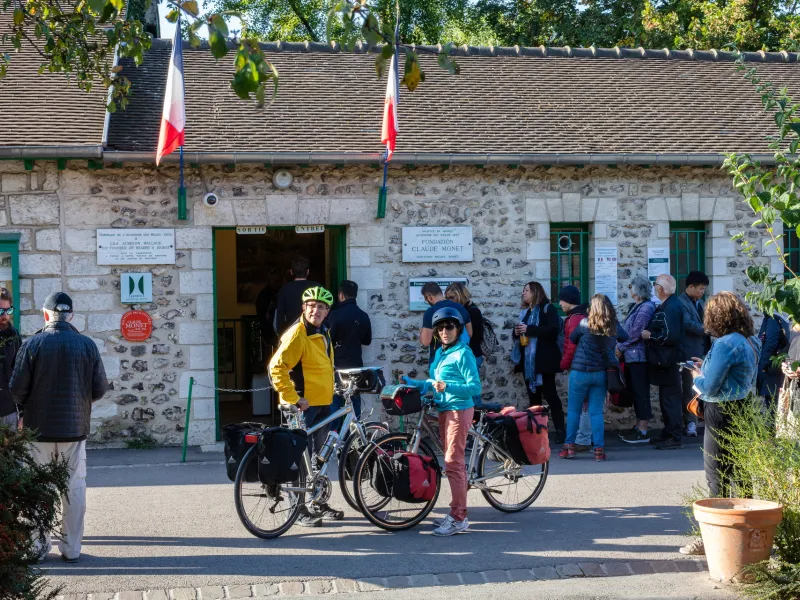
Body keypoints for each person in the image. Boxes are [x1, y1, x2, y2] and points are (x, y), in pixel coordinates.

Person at [9, 292, 108, 563]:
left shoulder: (33, 344)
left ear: (45, 315)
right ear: (71, 316)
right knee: (73, 488)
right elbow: (99, 388)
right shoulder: (87, 345)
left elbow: (16, 388)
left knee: (36, 488)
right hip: (74, 431)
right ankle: (71, 548)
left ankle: (37, 547)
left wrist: (25, 409)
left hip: (36, 431)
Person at [679, 291, 760, 556]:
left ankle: (713, 538)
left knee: (717, 475)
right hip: (743, 408)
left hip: (720, 410)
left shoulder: (725, 343)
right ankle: (748, 534)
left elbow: (711, 385)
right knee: (741, 473)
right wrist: (708, 366)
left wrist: (696, 376)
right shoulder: (750, 341)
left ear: (717, 316)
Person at [268, 285, 344, 527]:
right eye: (312, 306)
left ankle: (318, 502)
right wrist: (293, 398)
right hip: (303, 406)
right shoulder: (297, 333)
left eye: (322, 307)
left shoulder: (323, 330)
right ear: (304, 308)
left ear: (327, 311)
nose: (316, 310)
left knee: (319, 460)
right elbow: (276, 368)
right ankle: (297, 510)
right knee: (298, 459)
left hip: (323, 403)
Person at [403, 307, 480, 536]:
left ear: (457, 329)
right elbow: (432, 382)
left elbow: (475, 387)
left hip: (459, 409)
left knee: (453, 463)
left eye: (450, 327)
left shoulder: (463, 354)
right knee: (451, 463)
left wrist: (448, 387)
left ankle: (459, 518)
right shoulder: (440, 353)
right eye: (441, 328)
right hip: (444, 410)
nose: (445, 331)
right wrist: (412, 382)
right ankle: (456, 512)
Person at [559, 294, 628, 462]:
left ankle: (569, 448)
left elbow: (573, 338)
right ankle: (598, 450)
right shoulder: (613, 326)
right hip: (600, 373)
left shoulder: (584, 323)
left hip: (580, 372)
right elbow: (625, 337)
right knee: (595, 412)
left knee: (574, 410)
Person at [513, 281, 565, 443]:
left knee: (551, 397)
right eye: (523, 290)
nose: (524, 293)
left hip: (544, 362)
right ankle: (535, 432)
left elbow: (553, 330)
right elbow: (522, 332)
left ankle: (560, 431)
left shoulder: (547, 308)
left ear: (536, 292)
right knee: (533, 399)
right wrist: (516, 332)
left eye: (527, 290)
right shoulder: (525, 312)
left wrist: (530, 330)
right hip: (529, 363)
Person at [642, 274, 685, 450]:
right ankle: (669, 432)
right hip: (665, 360)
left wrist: (650, 335)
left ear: (661, 289)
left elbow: (671, 336)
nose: (654, 288)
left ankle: (674, 435)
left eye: (655, 285)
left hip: (670, 360)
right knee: (666, 397)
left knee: (670, 399)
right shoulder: (669, 305)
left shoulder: (671, 308)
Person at [617, 275, 657, 444]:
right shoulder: (638, 306)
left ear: (638, 288)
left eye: (631, 286)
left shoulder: (646, 307)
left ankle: (643, 429)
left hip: (639, 358)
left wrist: (620, 347)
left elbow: (635, 332)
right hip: (632, 357)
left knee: (641, 393)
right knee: (636, 392)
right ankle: (638, 426)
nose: (629, 289)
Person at [329, 280, 372, 424]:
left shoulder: (335, 315)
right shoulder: (363, 316)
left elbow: (329, 339)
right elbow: (367, 340)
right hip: (356, 365)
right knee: (355, 402)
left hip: (338, 365)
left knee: (335, 402)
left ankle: (334, 438)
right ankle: (354, 437)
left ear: (341, 295)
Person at [558, 285, 593, 451]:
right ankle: (587, 437)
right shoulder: (583, 315)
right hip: (589, 365)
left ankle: (582, 439)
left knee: (579, 405)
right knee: (588, 404)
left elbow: (570, 345)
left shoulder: (574, 319)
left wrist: (564, 364)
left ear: (569, 301)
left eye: (562, 300)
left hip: (579, 367)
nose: (560, 304)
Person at [678, 271, 709, 437]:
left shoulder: (700, 302)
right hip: (689, 351)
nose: (702, 292)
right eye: (700, 289)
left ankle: (701, 417)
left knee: (701, 387)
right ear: (690, 287)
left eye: (704, 289)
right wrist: (708, 329)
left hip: (702, 351)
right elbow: (688, 324)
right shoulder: (681, 303)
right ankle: (690, 421)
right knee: (690, 388)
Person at [419, 282, 472, 365]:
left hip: (440, 361)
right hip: (461, 358)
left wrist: (422, 331)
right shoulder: (461, 308)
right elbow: (470, 333)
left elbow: (425, 341)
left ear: (429, 297)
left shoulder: (431, 312)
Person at [273, 256, 319, 336]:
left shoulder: (285, 290)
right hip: (314, 334)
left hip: (292, 334)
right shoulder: (317, 287)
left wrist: (281, 334)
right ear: (308, 272)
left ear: (291, 272)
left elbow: (279, 315)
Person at [445, 282, 484, 366]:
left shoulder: (472, 311)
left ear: (461, 295)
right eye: (447, 298)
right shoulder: (460, 311)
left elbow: (471, 336)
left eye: (452, 297)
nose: (449, 301)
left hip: (470, 356)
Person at [757, 312, 790, 409]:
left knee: (773, 410)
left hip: (771, 372)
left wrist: (762, 365)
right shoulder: (780, 320)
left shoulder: (773, 320)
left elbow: (770, 344)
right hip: (774, 371)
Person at [0, 287, 21, 429]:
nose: (5, 316)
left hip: (9, 410)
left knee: (10, 451)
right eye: (1, 311)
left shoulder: (14, 335)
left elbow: (22, 373)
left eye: (9, 310)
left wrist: (23, 412)